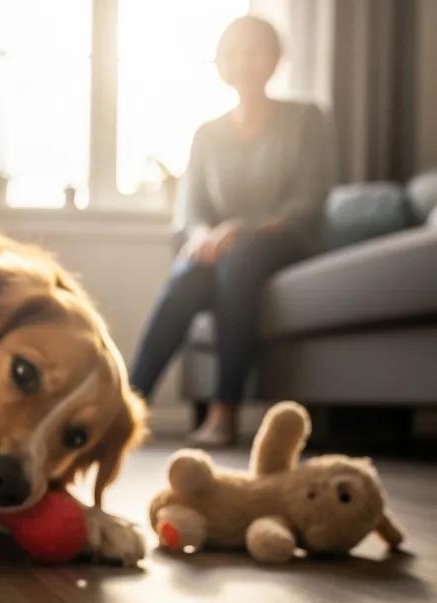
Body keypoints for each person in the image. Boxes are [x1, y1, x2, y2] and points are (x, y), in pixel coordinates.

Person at [129, 15, 336, 446]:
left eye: (253, 50)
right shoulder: (207, 134)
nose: (243, 61)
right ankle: (126, 405)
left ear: (275, 59)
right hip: (221, 252)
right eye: (233, 52)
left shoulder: (305, 119)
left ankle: (225, 412)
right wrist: (204, 234)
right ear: (221, 63)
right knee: (187, 277)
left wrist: (240, 228)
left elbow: (310, 199)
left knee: (238, 261)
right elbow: (192, 207)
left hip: (285, 241)